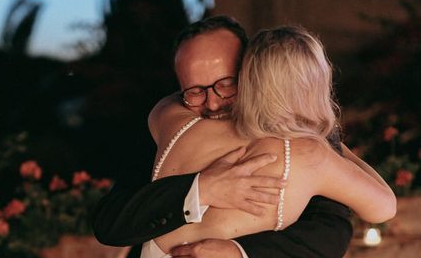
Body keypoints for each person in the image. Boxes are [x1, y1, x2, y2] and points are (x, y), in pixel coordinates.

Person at [92, 16, 353, 258]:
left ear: (252, 72)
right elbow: (110, 222)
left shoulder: (301, 130)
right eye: (194, 91)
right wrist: (201, 189)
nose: (213, 104)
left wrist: (239, 252)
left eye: (226, 84)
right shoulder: (170, 127)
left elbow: (332, 230)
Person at [142, 24, 395, 257]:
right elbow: (384, 207)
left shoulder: (171, 116)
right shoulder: (310, 155)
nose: (213, 101)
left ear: (246, 77)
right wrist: (332, 143)